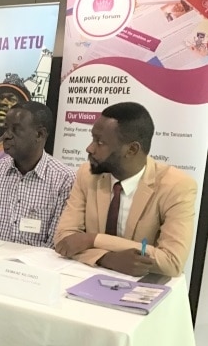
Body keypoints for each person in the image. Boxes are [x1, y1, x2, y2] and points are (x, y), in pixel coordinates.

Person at [54, 102, 197, 277]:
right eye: (92, 139)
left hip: (145, 291)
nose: (90, 148)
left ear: (131, 149)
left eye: (100, 142)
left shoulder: (177, 186)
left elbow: (171, 261)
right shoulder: (87, 174)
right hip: (86, 280)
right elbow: (64, 240)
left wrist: (92, 239)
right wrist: (108, 259)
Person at [0, 102, 75, 247]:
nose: (6, 136)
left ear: (39, 134)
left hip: (38, 266)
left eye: (16, 129)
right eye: (6, 128)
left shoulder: (64, 180)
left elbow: (56, 243)